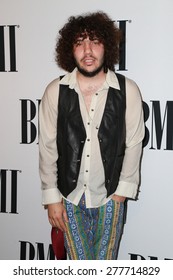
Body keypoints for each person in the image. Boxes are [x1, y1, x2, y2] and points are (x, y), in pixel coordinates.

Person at [39, 11, 145, 260]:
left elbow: (134, 143)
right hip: (68, 197)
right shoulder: (56, 91)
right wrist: (52, 197)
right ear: (70, 50)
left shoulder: (127, 90)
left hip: (110, 197)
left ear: (106, 47)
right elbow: (47, 147)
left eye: (95, 41)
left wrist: (119, 196)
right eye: (79, 43)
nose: (87, 50)